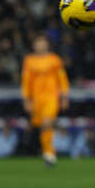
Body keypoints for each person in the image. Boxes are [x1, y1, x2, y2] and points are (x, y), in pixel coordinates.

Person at [21, 34, 69, 166]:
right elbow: (26, 82)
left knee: (47, 122)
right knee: (41, 126)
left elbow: (62, 78)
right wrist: (26, 100)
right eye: (38, 43)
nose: (40, 45)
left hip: (51, 97)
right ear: (34, 45)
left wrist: (64, 96)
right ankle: (47, 151)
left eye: (42, 42)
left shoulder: (55, 60)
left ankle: (49, 153)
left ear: (47, 44)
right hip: (36, 99)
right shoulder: (29, 61)